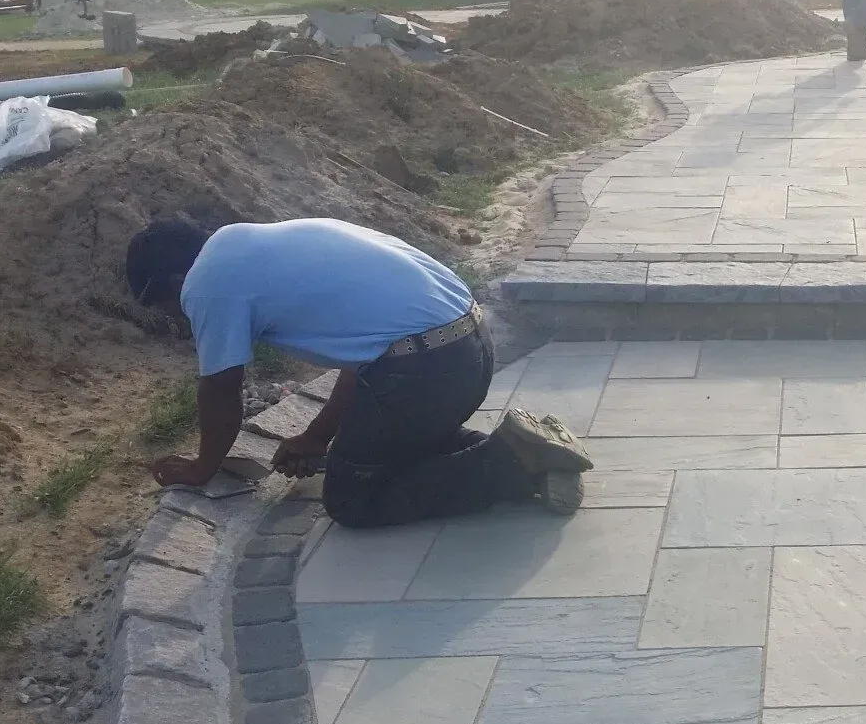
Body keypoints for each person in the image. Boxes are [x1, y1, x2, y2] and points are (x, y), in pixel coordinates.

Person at [126, 216, 592, 527]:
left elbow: (221, 388)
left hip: (427, 372)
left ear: (172, 282)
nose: (177, 316)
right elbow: (370, 348)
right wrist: (316, 436)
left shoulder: (207, 281)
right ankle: (523, 445)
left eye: (167, 307)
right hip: (469, 350)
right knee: (387, 450)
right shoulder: (256, 245)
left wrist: (202, 467)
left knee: (352, 498)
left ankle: (513, 465)